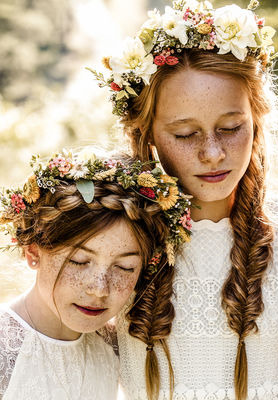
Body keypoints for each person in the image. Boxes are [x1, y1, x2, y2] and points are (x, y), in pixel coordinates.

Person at [92, 1, 278, 399]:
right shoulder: (115, 235)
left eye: (231, 127)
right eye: (185, 134)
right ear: (146, 134)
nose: (213, 153)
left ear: (256, 119)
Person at [0, 148, 192, 400]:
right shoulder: (6, 351)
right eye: (79, 261)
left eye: (125, 268)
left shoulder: (117, 346)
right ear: (33, 251)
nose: (100, 289)